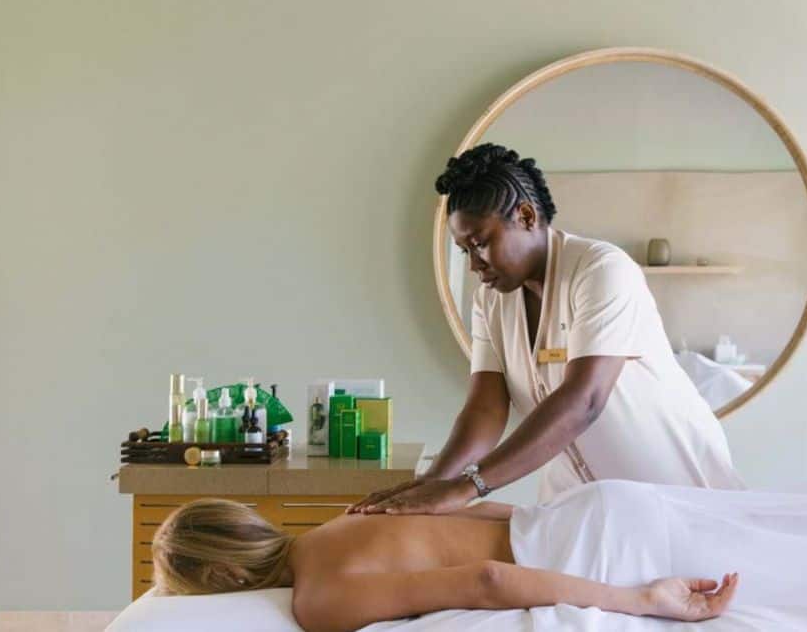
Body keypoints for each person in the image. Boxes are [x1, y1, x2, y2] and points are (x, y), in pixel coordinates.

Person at [350, 144, 743, 517]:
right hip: (585, 509)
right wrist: (433, 482)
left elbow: (584, 399)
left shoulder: (601, 270)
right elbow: (485, 407)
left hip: (680, 494)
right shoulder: (491, 300)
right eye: (465, 250)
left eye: (480, 244)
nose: (474, 264)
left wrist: (466, 487)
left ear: (525, 216)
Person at [151, 483, 739, 632]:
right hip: (590, 511)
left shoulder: (319, 600)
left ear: (225, 577)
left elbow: (485, 580)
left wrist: (639, 600)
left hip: (583, 554)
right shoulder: (339, 522)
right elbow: (480, 513)